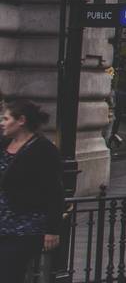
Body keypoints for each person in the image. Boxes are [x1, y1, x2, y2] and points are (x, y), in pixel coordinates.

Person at [0, 100, 63, 282]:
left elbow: (54, 191)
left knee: (9, 274)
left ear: (21, 120)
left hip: (23, 228)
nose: (2, 122)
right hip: (2, 223)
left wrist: (52, 230)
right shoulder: (4, 144)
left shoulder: (43, 150)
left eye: (6, 118)